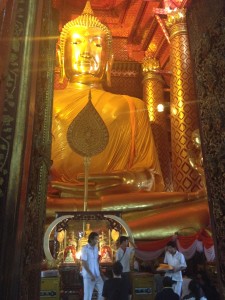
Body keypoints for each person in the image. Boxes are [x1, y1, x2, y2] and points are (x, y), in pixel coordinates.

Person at [46, 0, 210, 242]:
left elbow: (153, 180)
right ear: (61, 55)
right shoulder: (47, 103)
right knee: (30, 208)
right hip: (60, 200)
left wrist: (131, 180)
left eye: (97, 44)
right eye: (78, 42)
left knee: (200, 210)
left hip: (121, 202)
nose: (88, 51)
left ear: (109, 58)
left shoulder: (133, 105)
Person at [81, 232, 103, 300]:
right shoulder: (85, 248)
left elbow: (96, 261)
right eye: (96, 239)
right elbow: (84, 262)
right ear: (91, 239)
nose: (97, 241)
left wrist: (100, 272)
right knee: (88, 296)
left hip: (97, 274)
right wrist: (91, 274)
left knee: (102, 291)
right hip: (89, 276)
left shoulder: (96, 248)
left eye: (98, 239)